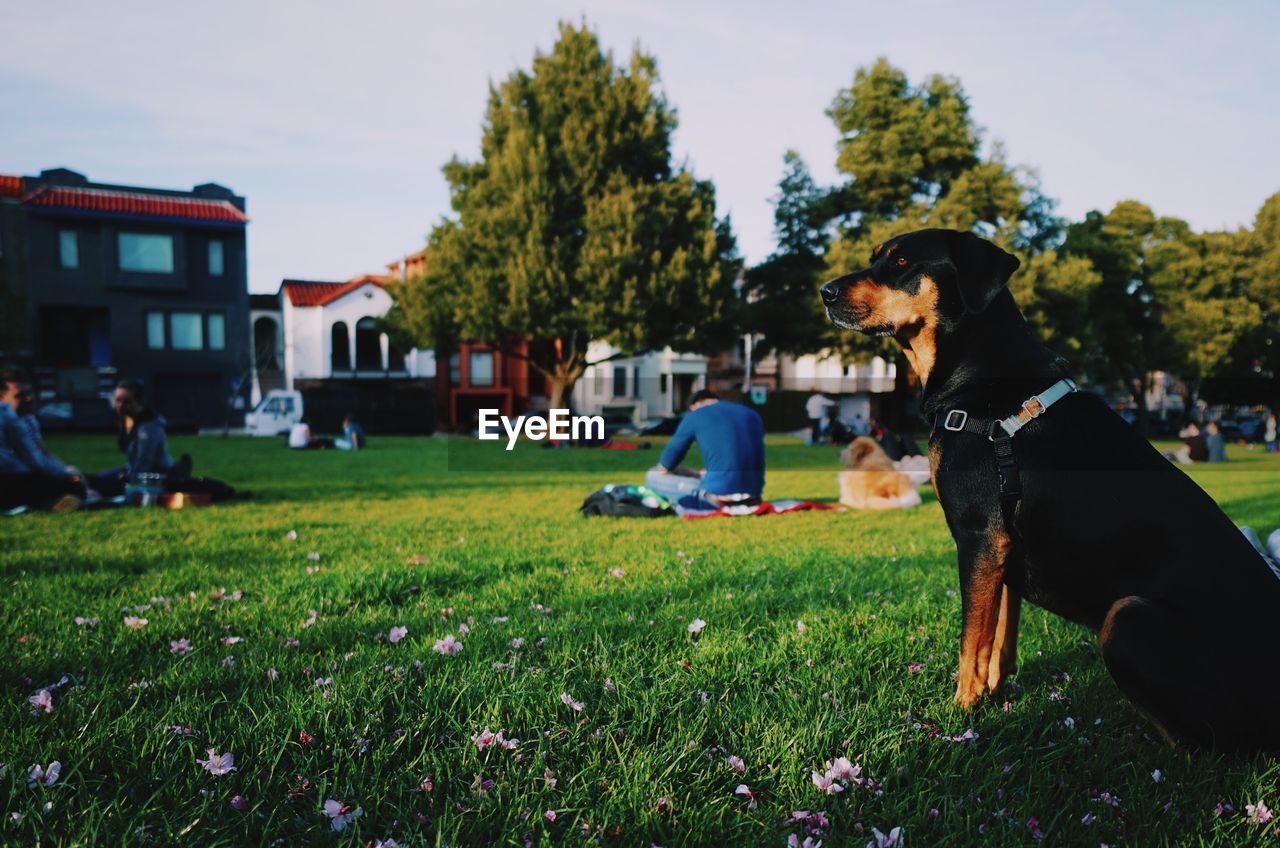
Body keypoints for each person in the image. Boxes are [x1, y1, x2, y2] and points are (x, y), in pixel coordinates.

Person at [645, 389, 765, 509]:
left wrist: (675, 470)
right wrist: (694, 473)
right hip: (754, 495)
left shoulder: (695, 415)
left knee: (652, 475)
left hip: (718, 497)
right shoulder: (751, 414)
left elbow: (667, 463)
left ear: (694, 406)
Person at [0, 367, 83, 511]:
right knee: (73, 487)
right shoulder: (8, 414)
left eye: (29, 393)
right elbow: (32, 457)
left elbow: (41, 451)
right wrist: (64, 475)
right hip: (9, 479)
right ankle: (47, 502)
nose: (28, 399)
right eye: (20, 395)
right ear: (2, 398)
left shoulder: (27, 419)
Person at [88, 379, 175, 498]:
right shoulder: (126, 420)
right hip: (131, 471)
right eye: (118, 401)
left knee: (102, 486)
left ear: (138, 402)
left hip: (152, 477)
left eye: (126, 402)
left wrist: (127, 482)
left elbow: (144, 463)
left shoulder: (149, 427)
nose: (120, 406)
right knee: (92, 480)